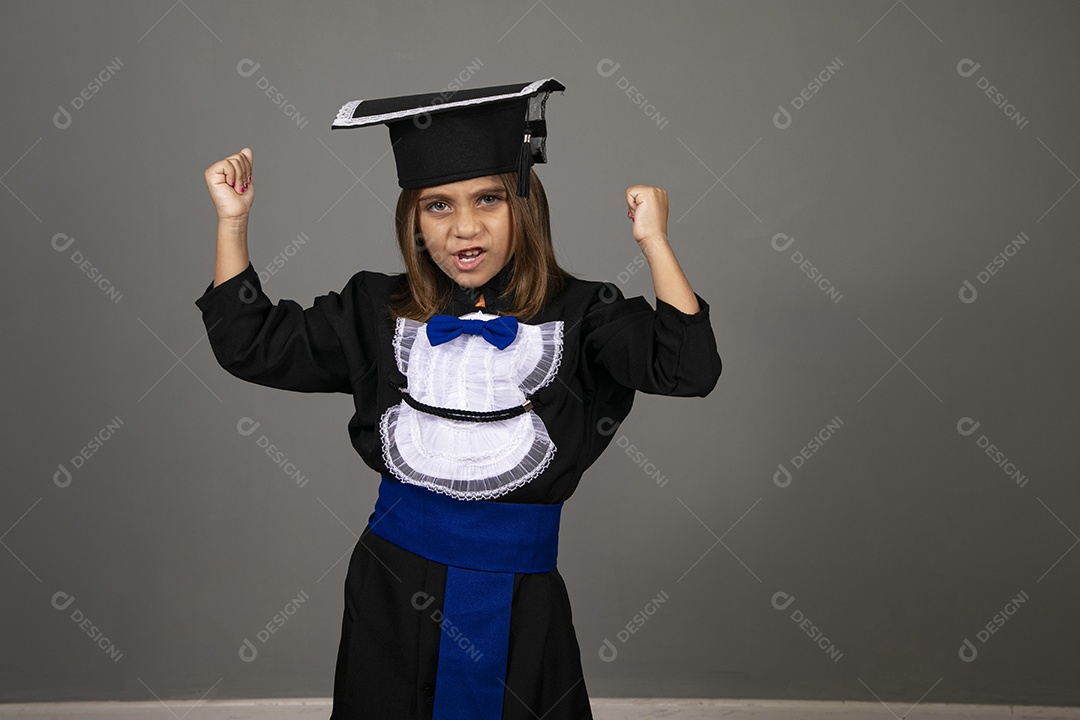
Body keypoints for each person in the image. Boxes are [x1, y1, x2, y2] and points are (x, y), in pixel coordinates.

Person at [195, 77, 722, 720]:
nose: (464, 227)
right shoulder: (375, 309)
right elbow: (251, 344)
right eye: (437, 206)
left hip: (519, 597)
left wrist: (655, 244)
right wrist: (233, 222)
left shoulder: (585, 315)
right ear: (413, 221)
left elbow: (688, 369)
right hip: (390, 587)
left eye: (488, 199)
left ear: (524, 205)